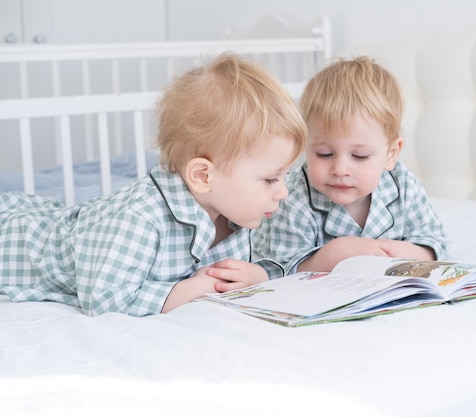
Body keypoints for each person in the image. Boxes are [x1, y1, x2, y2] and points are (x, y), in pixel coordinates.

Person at [0, 53, 307, 316]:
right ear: (203, 176)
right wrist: (189, 291)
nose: (283, 192)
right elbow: (105, 300)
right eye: (270, 179)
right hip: (18, 243)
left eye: (285, 176)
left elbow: (261, 265)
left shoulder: (237, 213)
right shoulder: (139, 218)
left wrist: (255, 274)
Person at [254, 56, 448, 277]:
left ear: (391, 154)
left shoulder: (402, 184)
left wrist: (393, 252)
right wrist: (333, 255)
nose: (340, 169)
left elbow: (435, 243)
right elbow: (277, 268)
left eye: (360, 156)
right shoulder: (294, 197)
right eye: (324, 154)